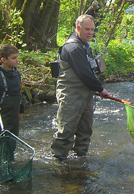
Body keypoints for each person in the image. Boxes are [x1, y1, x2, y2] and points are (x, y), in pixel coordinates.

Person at [51, 14, 110, 160]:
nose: (90, 32)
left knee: (85, 130)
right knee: (66, 130)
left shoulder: (85, 46)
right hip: (71, 95)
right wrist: (100, 89)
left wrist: (96, 88)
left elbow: (90, 71)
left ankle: (80, 159)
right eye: (87, 29)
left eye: (92, 29)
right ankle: (59, 162)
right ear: (78, 28)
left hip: (86, 94)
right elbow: (85, 74)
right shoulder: (73, 48)